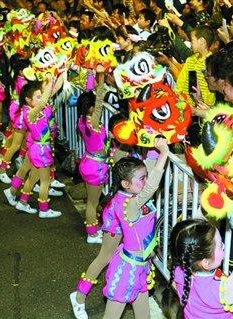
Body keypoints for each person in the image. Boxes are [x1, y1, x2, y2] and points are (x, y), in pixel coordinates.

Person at [69, 137, 169, 319]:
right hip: (127, 267)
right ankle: (79, 297)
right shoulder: (132, 203)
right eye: (142, 179)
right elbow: (151, 187)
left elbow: (144, 171)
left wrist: (157, 143)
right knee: (104, 257)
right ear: (126, 184)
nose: (145, 181)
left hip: (140, 265)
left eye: (146, 177)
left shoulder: (133, 192)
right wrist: (164, 154)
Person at [164, 180, 233, 319]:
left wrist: (217, 190)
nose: (223, 245)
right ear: (205, 262)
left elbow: (194, 232)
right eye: (220, 246)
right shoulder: (224, 292)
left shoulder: (180, 272)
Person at [11, 79, 63, 218]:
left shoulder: (33, 110)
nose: (42, 99)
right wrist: (50, 83)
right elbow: (44, 100)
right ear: (28, 99)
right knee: (45, 182)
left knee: (32, 178)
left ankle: (22, 202)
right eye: (38, 97)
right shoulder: (30, 113)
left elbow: (50, 94)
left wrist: (60, 73)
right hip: (40, 150)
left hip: (37, 148)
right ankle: (44, 210)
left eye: (41, 95)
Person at [76, 72, 108, 244]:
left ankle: (93, 227)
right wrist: (101, 79)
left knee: (91, 201)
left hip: (88, 162)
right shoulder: (93, 122)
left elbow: (88, 93)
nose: (97, 107)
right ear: (89, 107)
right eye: (93, 104)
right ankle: (92, 233)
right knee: (92, 203)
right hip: (95, 166)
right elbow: (100, 102)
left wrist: (91, 76)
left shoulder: (81, 121)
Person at [0, 57, 29, 184]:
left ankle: (8, 156)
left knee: (19, 138)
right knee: (16, 143)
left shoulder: (20, 78)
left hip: (17, 109)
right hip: (19, 111)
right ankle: (2, 170)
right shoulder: (24, 82)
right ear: (21, 71)